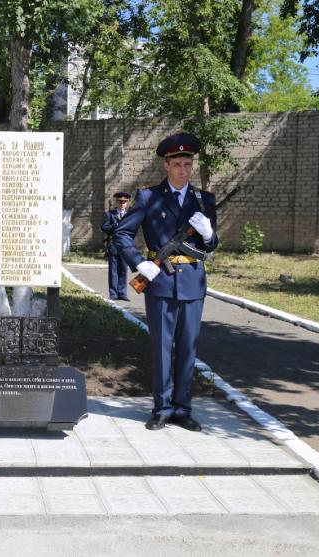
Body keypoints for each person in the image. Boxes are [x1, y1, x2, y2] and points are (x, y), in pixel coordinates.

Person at [113, 133, 218, 432]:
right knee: (162, 348)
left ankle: (183, 409)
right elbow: (122, 235)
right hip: (159, 282)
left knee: (188, 348)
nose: (184, 170)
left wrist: (209, 234)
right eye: (178, 164)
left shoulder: (204, 200)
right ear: (166, 165)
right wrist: (139, 261)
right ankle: (162, 408)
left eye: (188, 164)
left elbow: (211, 246)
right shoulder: (149, 197)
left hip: (194, 283)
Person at [101, 192, 132, 301]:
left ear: (127, 203)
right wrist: (115, 225)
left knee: (123, 269)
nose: (122, 204)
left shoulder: (130, 215)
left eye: (124, 202)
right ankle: (113, 294)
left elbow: (134, 229)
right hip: (113, 245)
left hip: (125, 246)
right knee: (113, 270)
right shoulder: (110, 214)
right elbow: (104, 227)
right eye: (120, 201)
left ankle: (122, 293)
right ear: (116, 202)